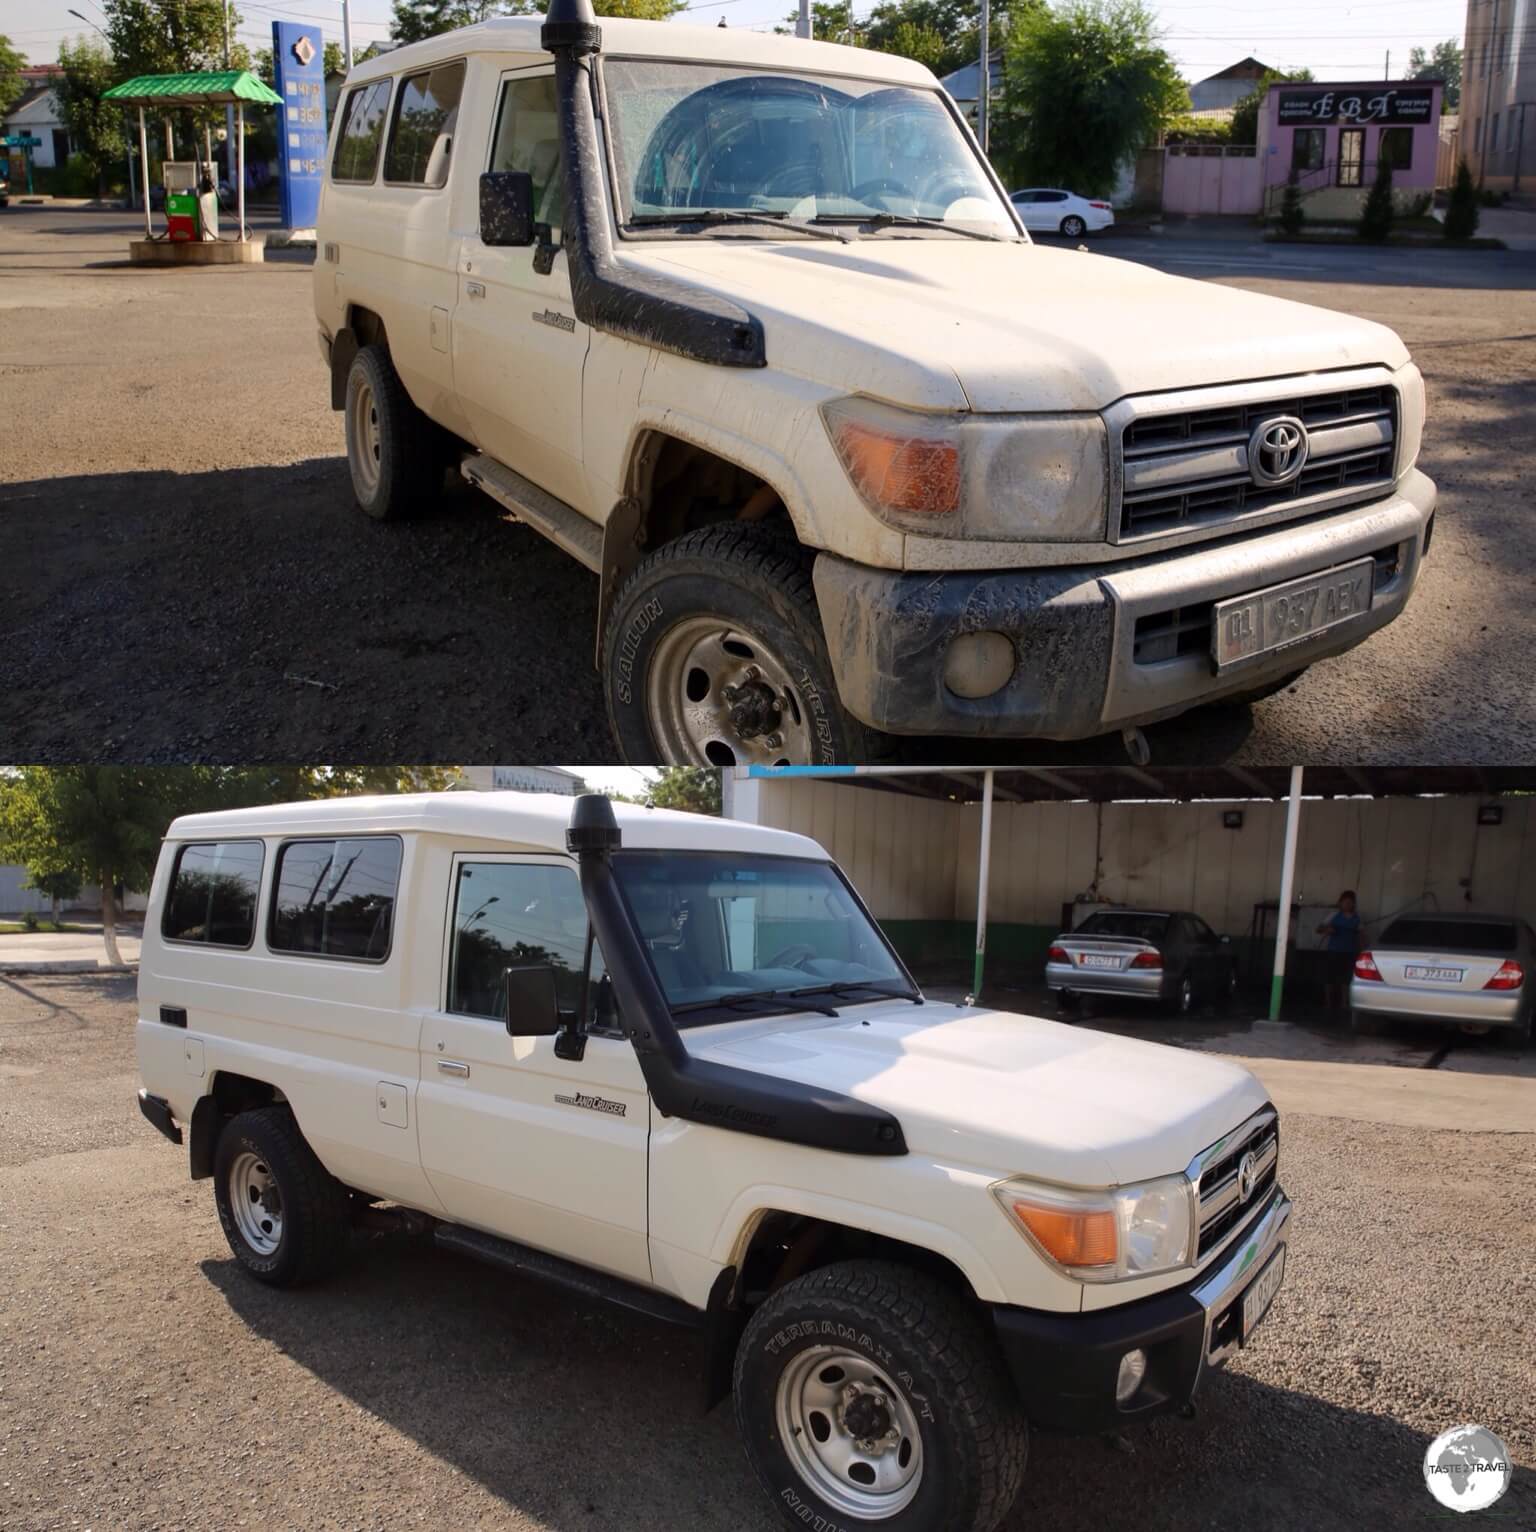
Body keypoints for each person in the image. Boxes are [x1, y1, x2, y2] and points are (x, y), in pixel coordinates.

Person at [1316, 891, 1362, 1016]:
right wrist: (1328, 929)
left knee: (1346, 980)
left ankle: (1344, 1004)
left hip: (1349, 952)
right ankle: (1328, 1003)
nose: (1347, 904)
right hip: (1333, 951)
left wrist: (1361, 949)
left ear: (1353, 904)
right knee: (1329, 978)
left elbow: (1360, 934)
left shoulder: (1357, 918)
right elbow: (1319, 929)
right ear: (1340, 903)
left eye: (1350, 902)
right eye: (1345, 902)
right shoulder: (1333, 915)